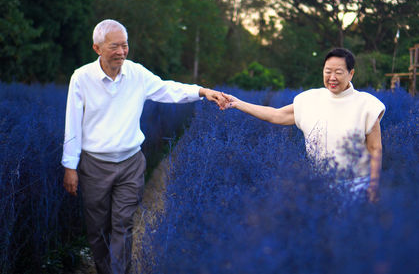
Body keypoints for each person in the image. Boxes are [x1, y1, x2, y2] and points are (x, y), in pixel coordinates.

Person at [62, 19, 228, 274]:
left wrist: (202, 91)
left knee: (123, 224)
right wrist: (70, 167)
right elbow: (71, 124)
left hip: (130, 163)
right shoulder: (82, 78)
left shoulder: (136, 74)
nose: (121, 52)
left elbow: (166, 89)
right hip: (95, 166)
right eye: (114, 46)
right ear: (97, 48)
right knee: (97, 230)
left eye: (125, 46)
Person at [223, 48, 385, 202]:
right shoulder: (310, 100)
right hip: (319, 186)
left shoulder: (367, 105)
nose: (332, 77)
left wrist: (374, 186)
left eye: (338, 72)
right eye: (328, 71)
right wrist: (238, 103)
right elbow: (276, 114)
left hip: (356, 186)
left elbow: (375, 148)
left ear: (351, 74)